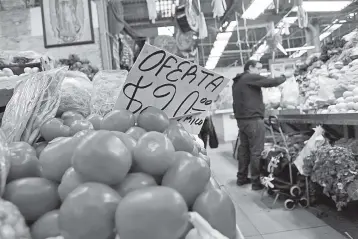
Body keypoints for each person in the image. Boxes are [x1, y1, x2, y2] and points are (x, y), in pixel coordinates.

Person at [232, 60, 286, 190]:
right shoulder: (249, 77)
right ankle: (256, 183)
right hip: (253, 120)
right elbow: (270, 82)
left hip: (242, 120)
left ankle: (242, 178)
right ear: (250, 68)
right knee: (256, 151)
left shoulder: (238, 81)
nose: (259, 71)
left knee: (244, 150)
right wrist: (284, 77)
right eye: (258, 68)